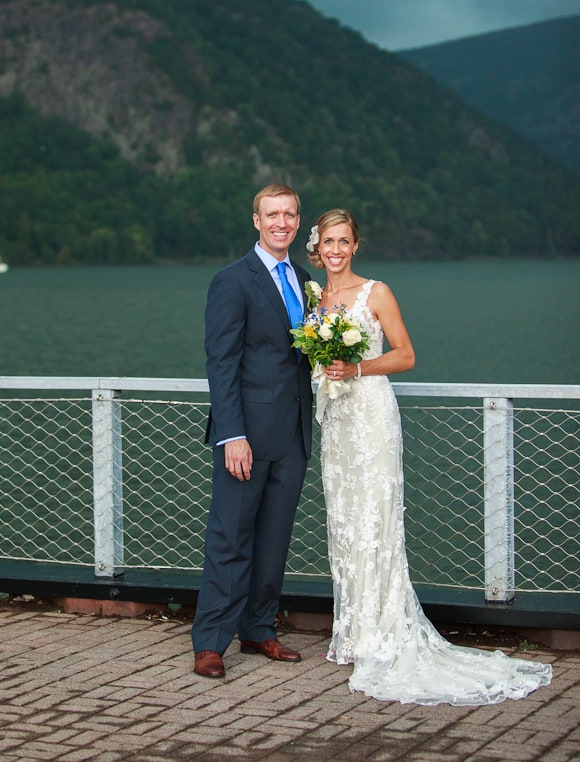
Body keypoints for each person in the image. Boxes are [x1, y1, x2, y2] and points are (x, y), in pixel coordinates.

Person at [306, 208, 552, 705]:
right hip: (338, 425)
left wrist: (356, 369)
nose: (335, 249)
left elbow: (406, 355)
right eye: (328, 241)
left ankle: (385, 632)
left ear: (356, 246)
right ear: (319, 248)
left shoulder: (377, 292)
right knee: (346, 520)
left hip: (372, 417)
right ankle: (354, 631)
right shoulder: (317, 298)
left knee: (376, 520)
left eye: (343, 241)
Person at [191, 184, 314, 679]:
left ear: (297, 220)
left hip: (294, 435)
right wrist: (231, 434)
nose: (281, 222)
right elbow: (221, 365)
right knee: (230, 537)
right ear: (256, 221)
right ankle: (211, 641)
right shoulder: (231, 281)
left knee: (274, 539)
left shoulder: (305, 280)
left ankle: (259, 629)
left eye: (289, 214)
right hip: (246, 437)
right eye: (272, 214)